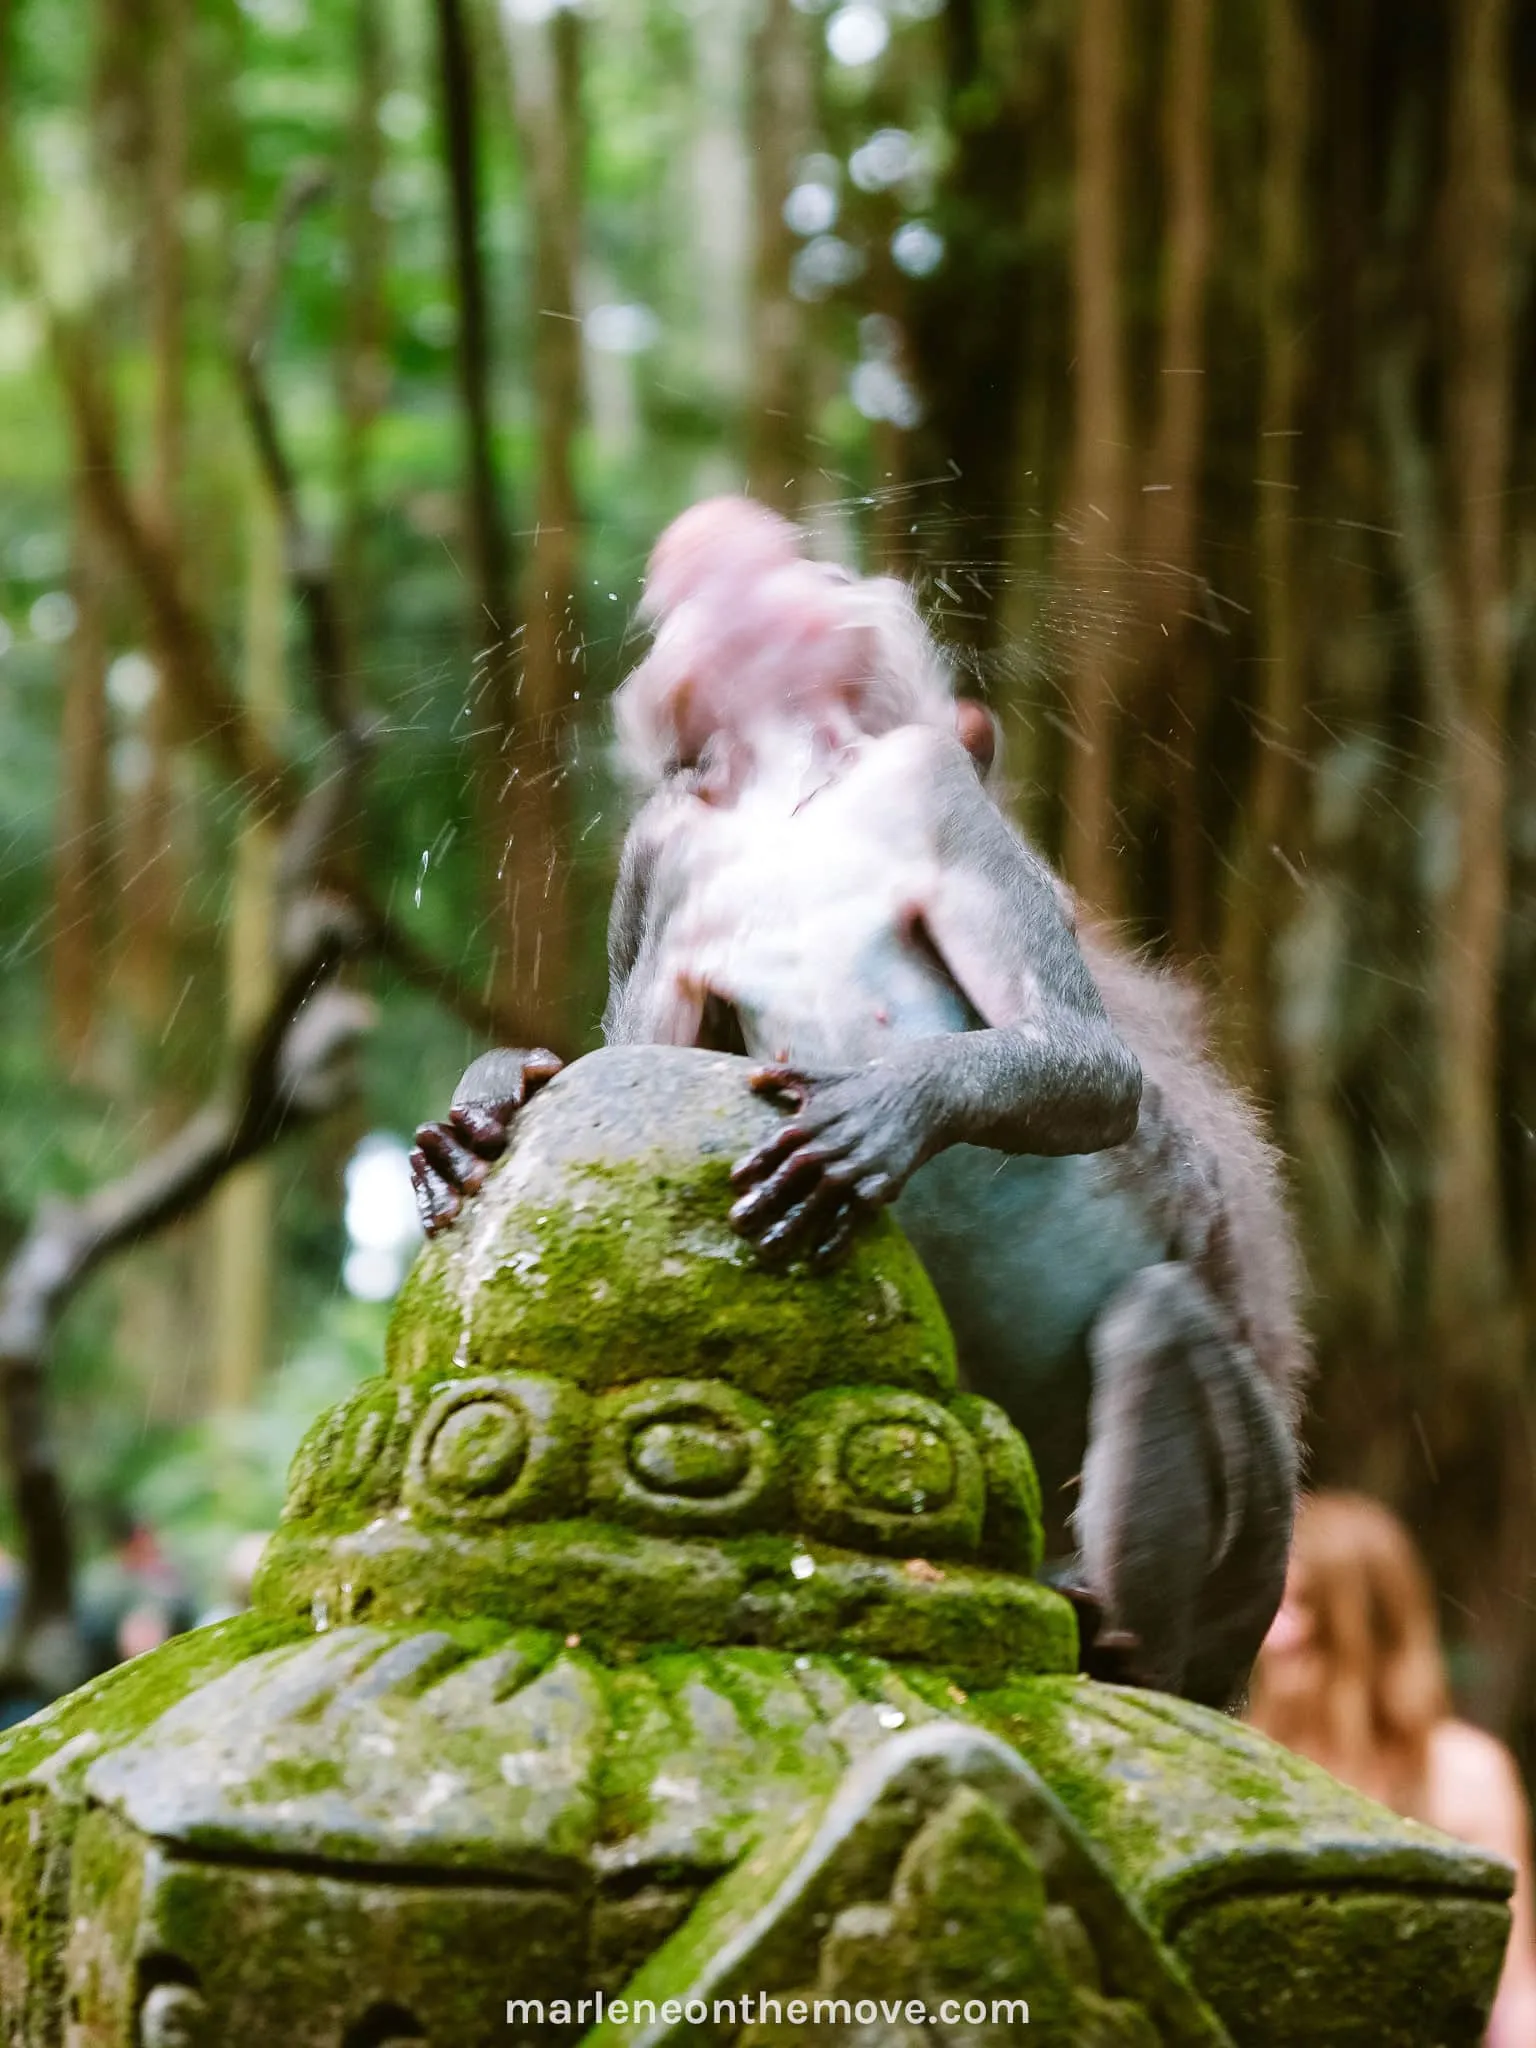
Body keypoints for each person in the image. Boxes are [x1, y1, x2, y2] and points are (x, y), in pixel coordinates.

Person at [1249, 1491, 1536, 2047]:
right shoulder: (1241, 1763)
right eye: (1269, 1607)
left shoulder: (1464, 1772)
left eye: (1302, 1607)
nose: (1276, 1636)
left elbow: (1512, 1986)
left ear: (1369, 1624)